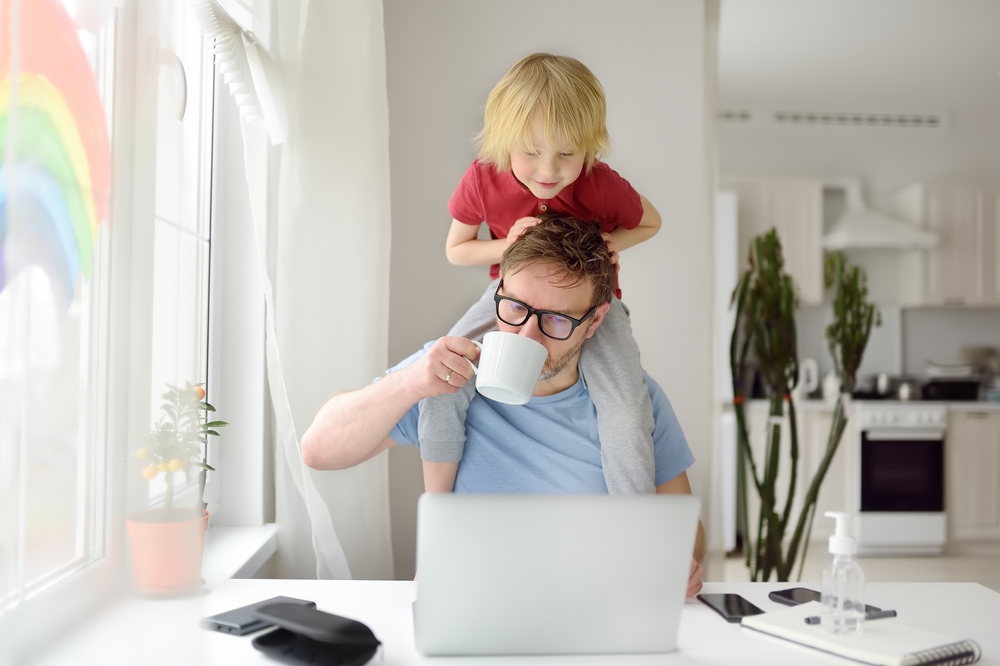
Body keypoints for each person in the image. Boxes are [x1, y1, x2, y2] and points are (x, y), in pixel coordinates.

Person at [301, 217, 704, 596]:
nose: (526, 336)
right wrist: (409, 383)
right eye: (514, 307)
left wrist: (676, 561)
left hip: (593, 605)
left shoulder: (634, 400)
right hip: (472, 604)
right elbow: (318, 450)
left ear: (595, 321)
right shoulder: (447, 374)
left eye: (557, 321)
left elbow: (688, 530)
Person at [419, 52, 664, 495]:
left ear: (590, 146)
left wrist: (615, 244)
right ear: (503, 140)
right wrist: (504, 245)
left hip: (588, 309)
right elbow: (457, 250)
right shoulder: (482, 180)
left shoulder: (600, 182)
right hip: (509, 298)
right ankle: (437, 507)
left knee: (627, 411)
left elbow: (650, 222)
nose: (549, 170)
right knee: (444, 375)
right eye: (531, 153)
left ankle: (634, 526)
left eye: (566, 153)